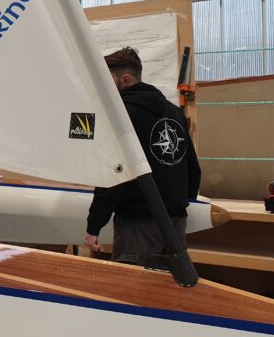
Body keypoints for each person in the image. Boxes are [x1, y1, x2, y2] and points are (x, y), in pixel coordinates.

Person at [84, 47, 201, 265]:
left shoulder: (122, 116)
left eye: (108, 79)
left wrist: (94, 226)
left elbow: (113, 176)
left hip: (139, 226)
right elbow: (192, 168)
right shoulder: (174, 112)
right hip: (176, 223)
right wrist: (180, 207)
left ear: (125, 79)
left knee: (131, 293)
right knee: (167, 290)